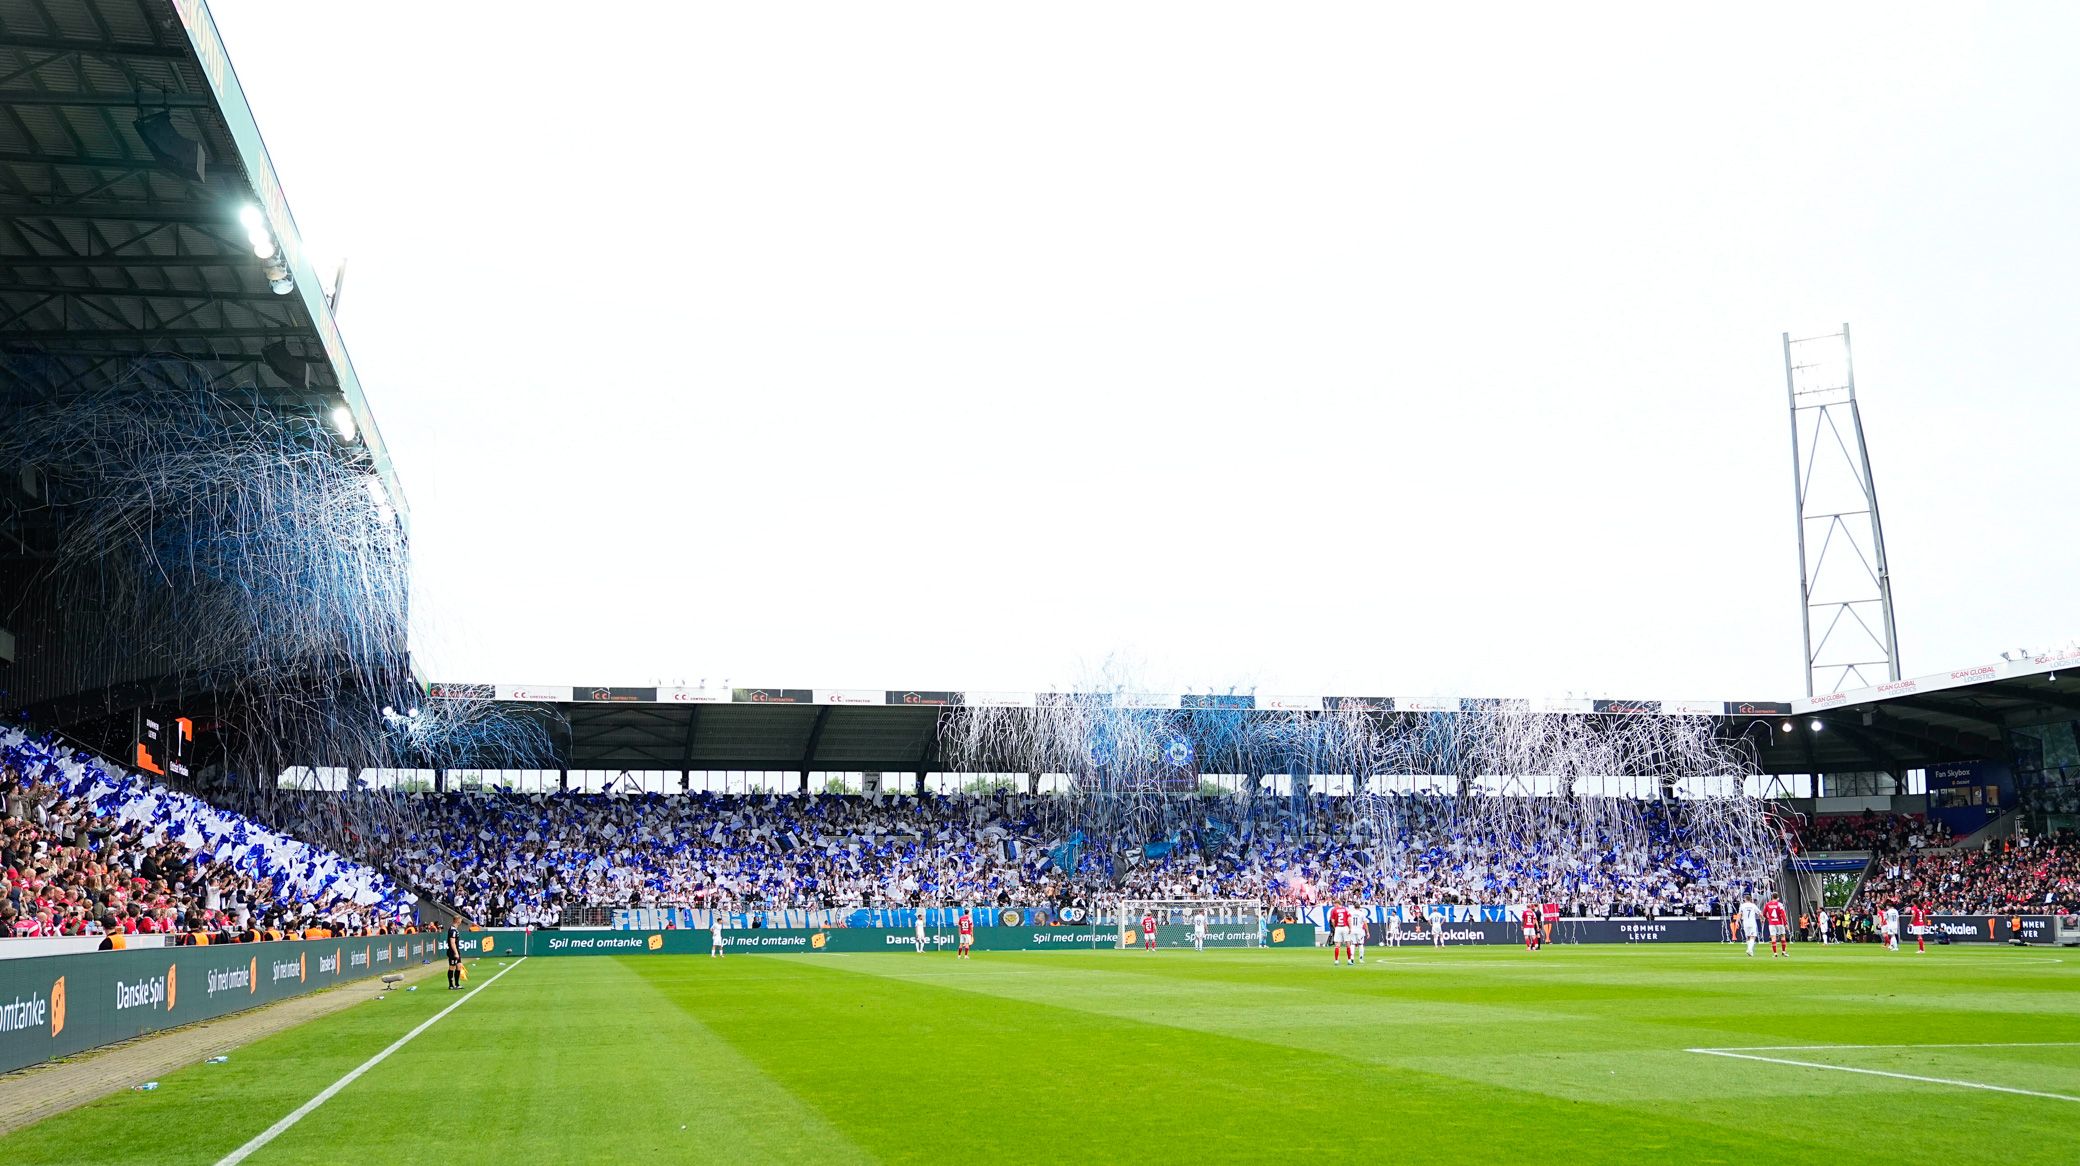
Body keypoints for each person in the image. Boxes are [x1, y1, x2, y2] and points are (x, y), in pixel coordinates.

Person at [445, 924, 463, 989]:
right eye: (460, 920)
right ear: (458, 921)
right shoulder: (453, 931)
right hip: (453, 952)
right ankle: (451, 985)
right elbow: (452, 942)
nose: (461, 921)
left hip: (457, 951)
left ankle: (457, 984)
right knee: (452, 967)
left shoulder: (454, 929)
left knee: (459, 966)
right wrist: (455, 952)